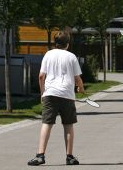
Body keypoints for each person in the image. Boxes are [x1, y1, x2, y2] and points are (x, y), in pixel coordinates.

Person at [28, 28, 84, 166]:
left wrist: (42, 93)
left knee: (47, 124)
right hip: (67, 95)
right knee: (68, 125)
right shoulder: (71, 57)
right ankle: (69, 157)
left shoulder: (48, 54)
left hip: (50, 94)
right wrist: (81, 88)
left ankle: (40, 155)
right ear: (68, 43)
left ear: (55, 43)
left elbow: (41, 76)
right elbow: (77, 78)